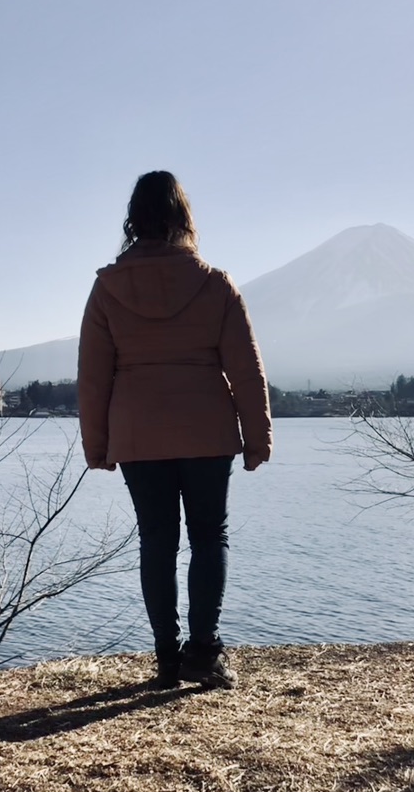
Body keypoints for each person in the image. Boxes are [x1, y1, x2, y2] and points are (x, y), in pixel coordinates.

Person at [78, 171, 272, 690]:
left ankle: (166, 660)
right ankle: (203, 653)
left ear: (133, 220)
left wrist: (97, 446)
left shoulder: (107, 288)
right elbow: (246, 369)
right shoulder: (215, 285)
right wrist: (258, 438)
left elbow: (94, 377)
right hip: (208, 429)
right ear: (183, 217)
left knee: (156, 541)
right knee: (210, 537)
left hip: (138, 432)